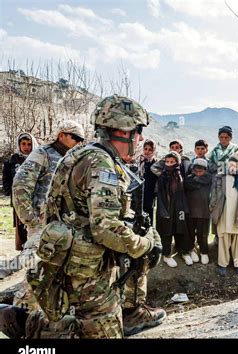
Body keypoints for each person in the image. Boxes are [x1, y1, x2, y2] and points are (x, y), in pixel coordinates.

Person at [1, 96, 167, 338]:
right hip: (87, 266)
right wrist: (145, 245)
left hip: (70, 256)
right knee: (101, 333)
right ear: (123, 131)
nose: (139, 138)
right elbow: (105, 228)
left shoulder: (83, 153)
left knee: (85, 322)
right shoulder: (102, 164)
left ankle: (23, 320)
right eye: (138, 131)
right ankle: (30, 324)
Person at [0, 122, 84, 281]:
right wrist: (29, 217)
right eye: (76, 138)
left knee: (49, 269)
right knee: (30, 262)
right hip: (41, 221)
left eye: (81, 139)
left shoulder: (70, 158)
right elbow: (20, 185)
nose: (79, 142)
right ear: (62, 136)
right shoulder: (43, 153)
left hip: (61, 224)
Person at [210, 153, 238, 276]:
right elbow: (214, 195)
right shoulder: (220, 177)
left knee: (237, 241)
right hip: (224, 213)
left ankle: (237, 263)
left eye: (234, 165)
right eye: (230, 164)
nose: (231, 167)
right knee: (224, 239)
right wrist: (213, 208)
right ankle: (222, 264)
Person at [156, 151, 195, 267]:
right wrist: (164, 212)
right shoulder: (162, 177)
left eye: (172, 162)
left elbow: (183, 193)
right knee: (167, 232)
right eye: (167, 162)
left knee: (181, 229)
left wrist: (184, 208)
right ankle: (166, 255)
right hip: (167, 209)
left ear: (177, 163)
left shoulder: (179, 177)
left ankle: (183, 251)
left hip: (179, 208)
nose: (169, 164)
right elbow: (160, 196)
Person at [2, 133, 38, 252]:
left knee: (35, 224)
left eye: (29, 144)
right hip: (19, 199)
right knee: (21, 224)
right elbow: (6, 178)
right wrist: (10, 192)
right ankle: (23, 249)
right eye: (23, 144)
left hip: (35, 198)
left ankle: (34, 249)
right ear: (19, 145)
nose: (26, 147)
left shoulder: (38, 159)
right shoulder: (12, 161)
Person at [185, 158, 213, 265]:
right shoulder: (188, 179)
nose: (198, 172)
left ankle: (204, 252)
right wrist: (198, 181)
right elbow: (188, 183)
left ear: (206, 170)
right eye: (196, 170)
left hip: (204, 212)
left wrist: (197, 181)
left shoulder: (210, 179)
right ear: (192, 169)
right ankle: (191, 249)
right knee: (190, 233)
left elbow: (206, 180)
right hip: (191, 211)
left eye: (201, 170)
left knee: (203, 234)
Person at [137, 139, 158, 224]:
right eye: (145, 149)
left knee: (148, 215)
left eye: (150, 149)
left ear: (153, 151)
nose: (147, 151)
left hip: (149, 194)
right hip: (138, 193)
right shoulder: (138, 161)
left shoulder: (155, 163)